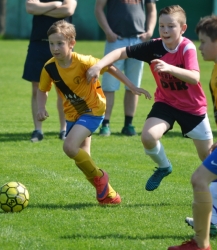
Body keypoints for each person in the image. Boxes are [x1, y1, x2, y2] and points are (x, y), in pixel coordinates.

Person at [86, 4, 217, 234]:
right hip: (166, 105)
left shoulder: (187, 48)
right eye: (162, 26)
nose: (165, 30)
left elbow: (194, 77)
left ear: (183, 28)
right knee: (147, 137)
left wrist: (169, 68)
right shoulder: (154, 46)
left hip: (193, 109)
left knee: (209, 157)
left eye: (171, 26)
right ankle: (164, 166)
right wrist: (99, 65)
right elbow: (120, 52)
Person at [36, 20, 151, 205]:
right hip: (72, 115)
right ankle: (110, 196)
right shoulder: (49, 67)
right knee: (83, 160)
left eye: (60, 43)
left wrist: (132, 86)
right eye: (51, 43)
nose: (55, 48)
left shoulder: (83, 61)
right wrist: (41, 108)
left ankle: (102, 177)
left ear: (71, 43)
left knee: (69, 147)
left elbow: (110, 67)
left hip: (93, 110)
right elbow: (43, 89)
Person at [168, 15, 217, 250]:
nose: (199, 47)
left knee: (199, 179)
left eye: (203, 42)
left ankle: (201, 244)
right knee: (199, 179)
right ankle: (201, 243)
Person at [94, 0, 157, 136]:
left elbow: (152, 9)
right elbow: (98, 8)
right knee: (109, 84)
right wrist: (108, 31)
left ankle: (128, 124)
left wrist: (150, 31)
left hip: (138, 40)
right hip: (116, 39)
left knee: (133, 85)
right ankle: (105, 124)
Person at [23, 0, 77, 142]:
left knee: (63, 89)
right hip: (38, 44)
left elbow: (68, 10)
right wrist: (57, 4)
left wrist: (41, 9)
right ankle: (38, 130)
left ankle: (64, 129)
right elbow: (30, 7)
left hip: (62, 45)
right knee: (37, 87)